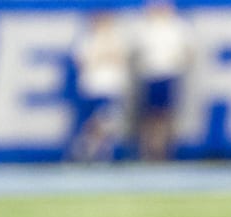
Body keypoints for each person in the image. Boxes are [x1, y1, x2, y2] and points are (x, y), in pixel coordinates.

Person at [132, 0, 192, 161]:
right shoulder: (144, 27)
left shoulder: (178, 26)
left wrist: (179, 63)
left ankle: (165, 150)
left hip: (169, 74)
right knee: (149, 115)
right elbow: (135, 53)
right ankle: (148, 150)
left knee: (167, 114)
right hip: (150, 75)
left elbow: (189, 52)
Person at [68, 11, 132, 163]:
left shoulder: (118, 39)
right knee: (89, 123)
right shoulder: (86, 40)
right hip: (91, 88)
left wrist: (101, 57)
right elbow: (81, 62)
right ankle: (84, 152)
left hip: (111, 89)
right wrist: (104, 57)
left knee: (107, 122)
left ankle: (102, 152)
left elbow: (121, 60)